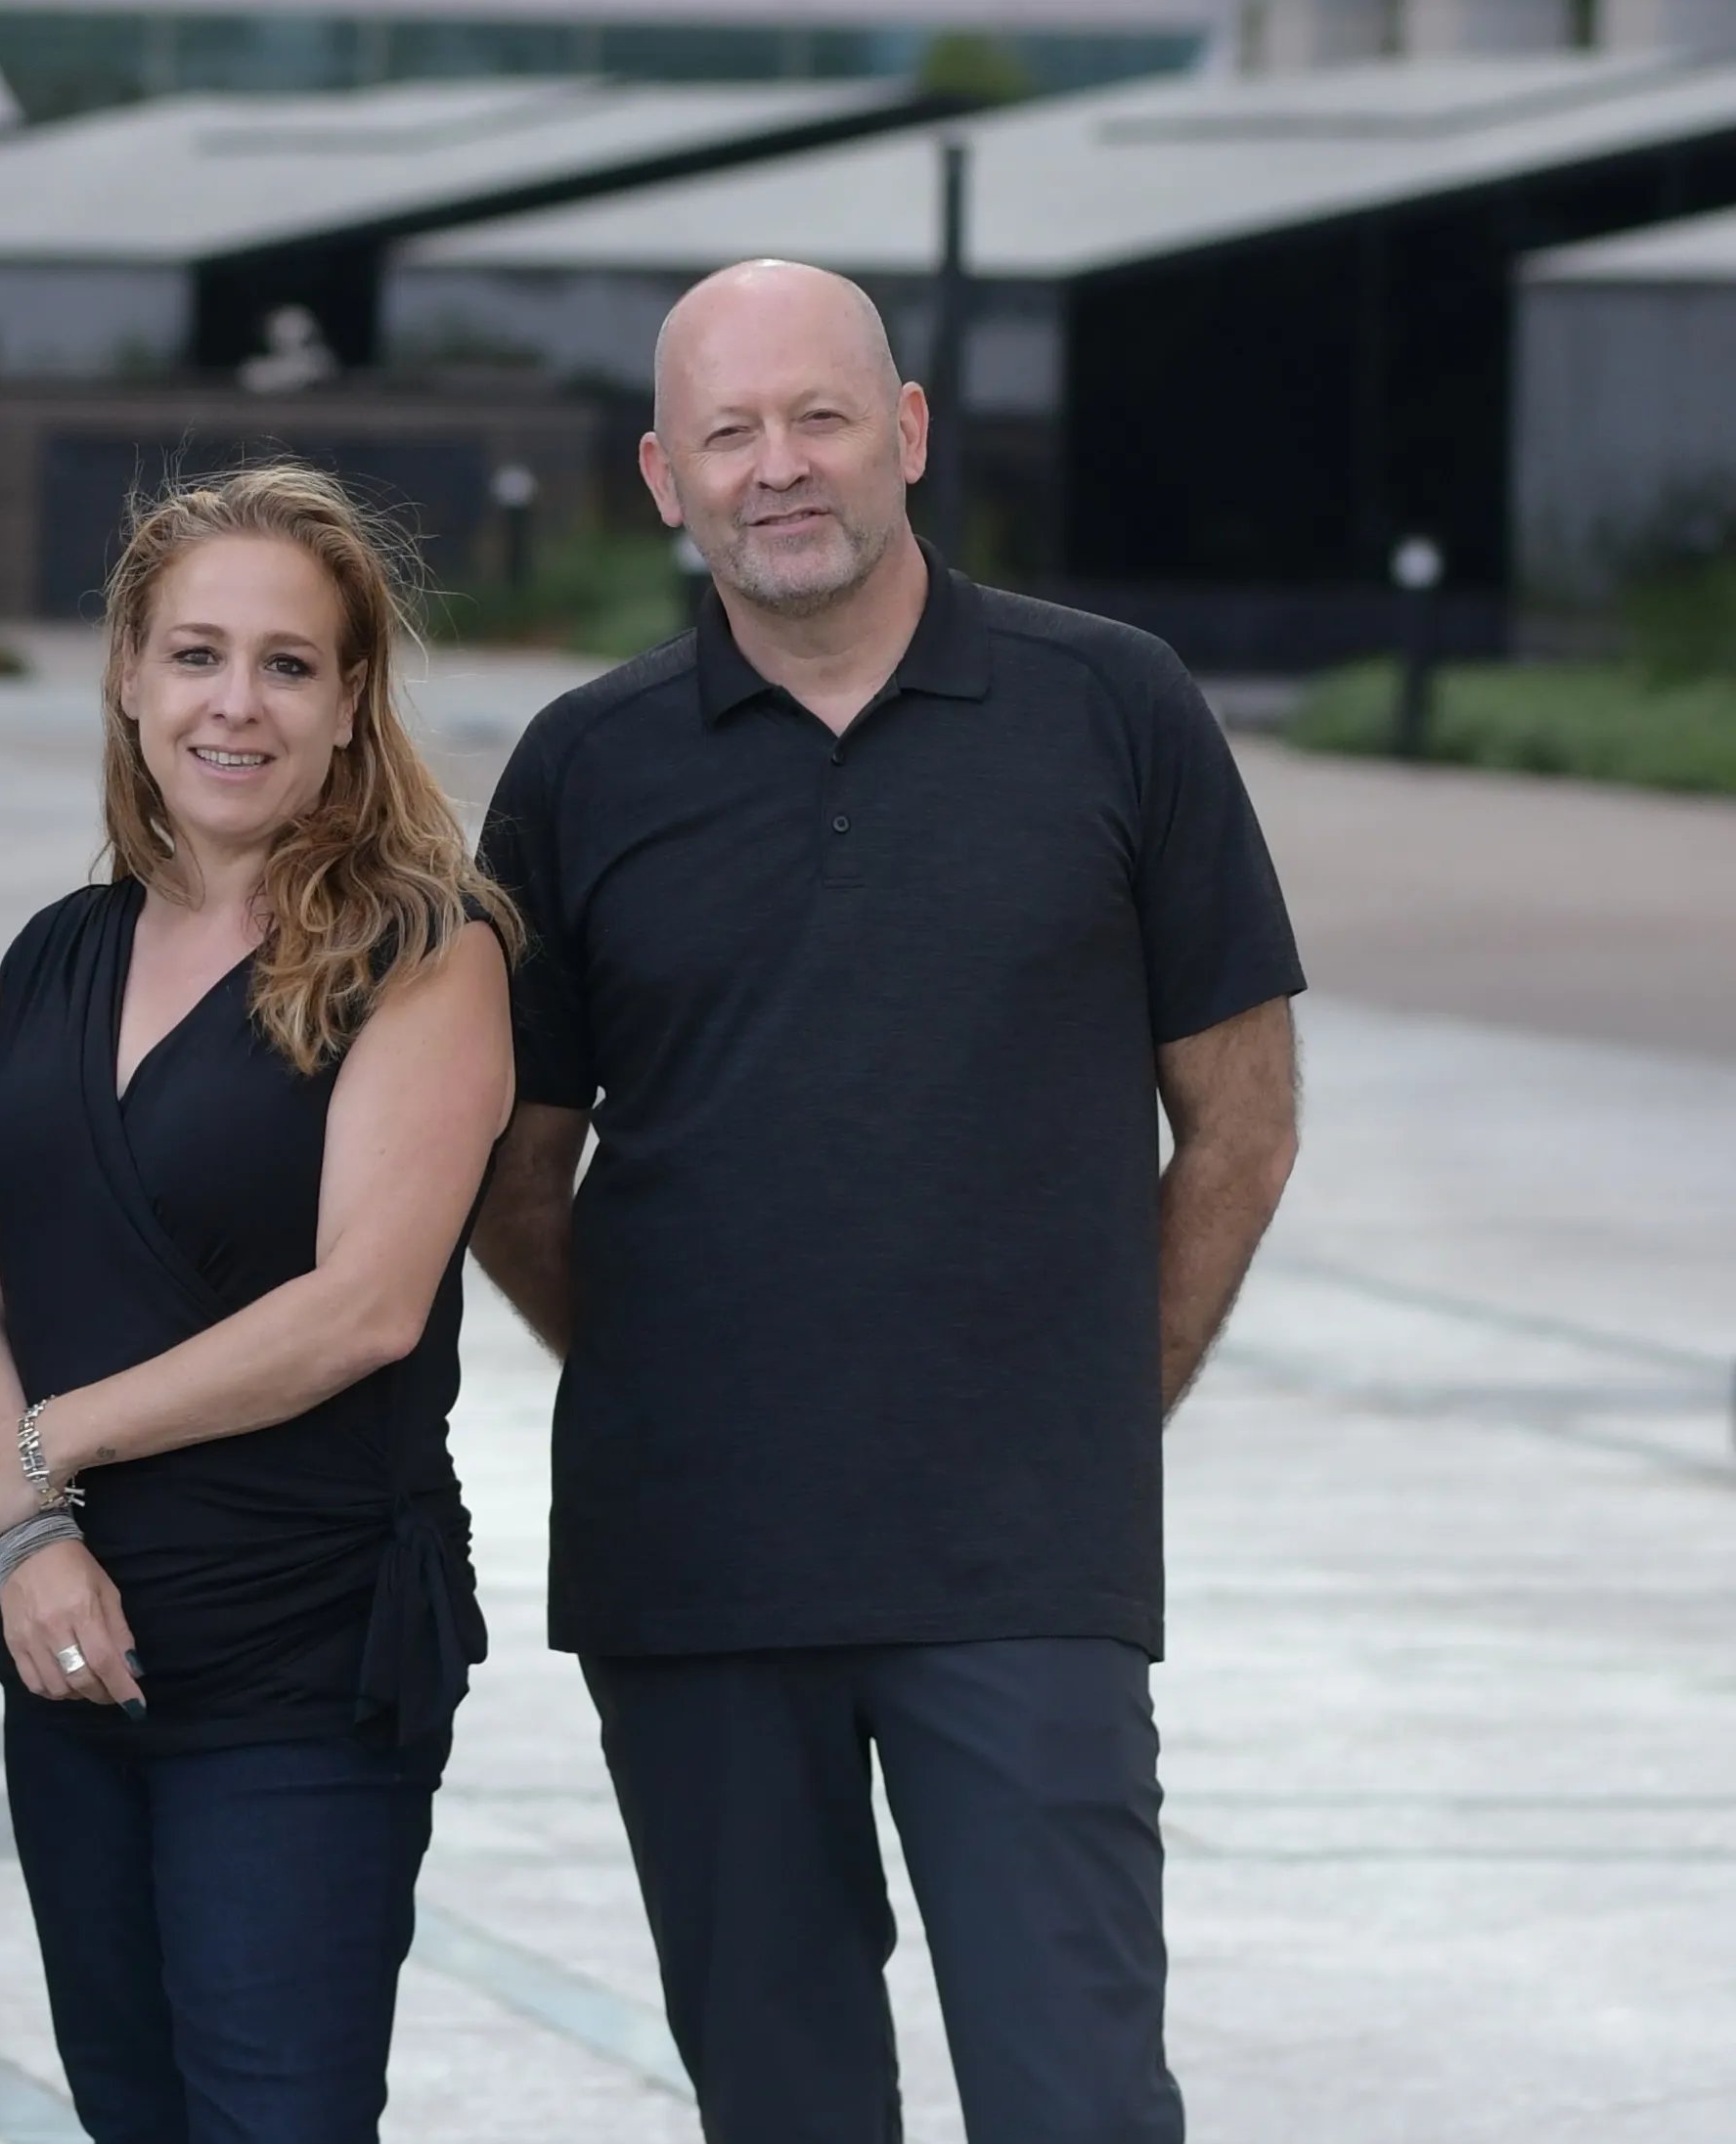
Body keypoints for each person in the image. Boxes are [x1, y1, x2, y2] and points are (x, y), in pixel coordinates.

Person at [471, 259, 1304, 2144]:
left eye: (822, 416)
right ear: (662, 477)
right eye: (730, 433)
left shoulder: (1115, 710)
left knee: (1076, 2097)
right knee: (781, 2102)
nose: (782, 467)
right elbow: (514, 1177)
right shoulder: (582, 772)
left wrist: (1094, 1409)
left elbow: (1241, 1124)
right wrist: (694, 1395)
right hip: (695, 1571)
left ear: (908, 435)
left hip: (1021, 1565)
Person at [0, 464, 516, 2143]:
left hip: (304, 1660)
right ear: (126, 675)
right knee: (132, 2112)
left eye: (285, 664)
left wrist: (38, 1452)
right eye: (194, 656)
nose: (232, 704)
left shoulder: (429, 951)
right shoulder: (54, 956)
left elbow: (364, 1310)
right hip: (72, 1649)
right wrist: (30, 1547)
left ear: (350, 705)